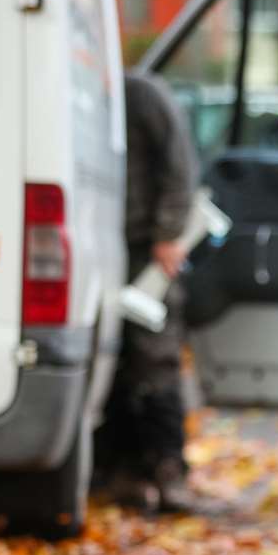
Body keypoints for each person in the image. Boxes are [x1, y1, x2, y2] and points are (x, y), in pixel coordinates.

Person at [98, 69, 200, 513]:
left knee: (154, 359)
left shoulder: (140, 94)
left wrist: (167, 233)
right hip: (103, 246)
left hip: (145, 251)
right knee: (115, 361)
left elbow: (180, 165)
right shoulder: (85, 94)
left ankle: (168, 470)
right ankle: (123, 472)